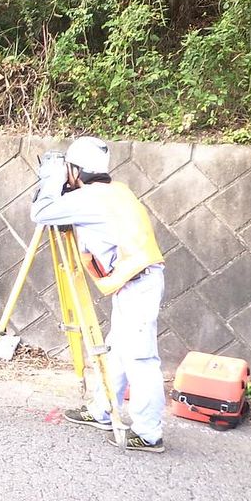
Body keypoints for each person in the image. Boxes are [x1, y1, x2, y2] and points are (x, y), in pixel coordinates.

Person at [30, 136, 166, 452]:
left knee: (140, 358)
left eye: (68, 169)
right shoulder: (114, 191)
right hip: (134, 281)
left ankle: (149, 433)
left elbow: (42, 211)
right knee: (118, 350)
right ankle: (102, 409)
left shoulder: (91, 198)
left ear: (76, 170)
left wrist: (51, 178)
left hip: (137, 284)